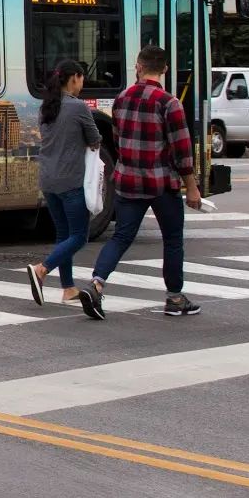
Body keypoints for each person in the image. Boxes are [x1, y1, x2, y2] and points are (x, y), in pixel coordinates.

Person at [78, 45, 203, 320]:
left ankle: (96, 284)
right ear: (165, 69)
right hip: (161, 183)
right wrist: (192, 187)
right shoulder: (169, 103)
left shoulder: (121, 99)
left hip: (128, 180)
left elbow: (118, 140)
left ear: (138, 66)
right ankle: (175, 298)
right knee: (172, 239)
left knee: (121, 236)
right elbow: (182, 150)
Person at [24, 61, 103, 306]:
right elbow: (95, 139)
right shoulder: (78, 107)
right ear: (74, 78)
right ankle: (42, 269)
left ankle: (68, 289)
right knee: (79, 236)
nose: (83, 83)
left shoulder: (46, 106)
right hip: (70, 180)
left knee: (63, 234)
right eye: (82, 78)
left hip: (48, 180)